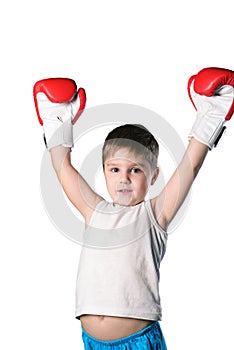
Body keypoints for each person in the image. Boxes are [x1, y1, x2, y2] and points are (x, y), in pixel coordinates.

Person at [33, 67, 234, 349]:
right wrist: (57, 116)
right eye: (115, 169)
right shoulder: (94, 210)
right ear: (104, 172)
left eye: (136, 170)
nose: (124, 178)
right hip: (92, 341)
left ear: (153, 176)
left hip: (138, 341)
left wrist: (212, 112)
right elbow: (62, 166)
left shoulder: (155, 213)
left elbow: (191, 164)